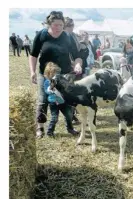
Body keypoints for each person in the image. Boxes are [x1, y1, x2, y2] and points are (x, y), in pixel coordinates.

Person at [29, 11, 83, 139]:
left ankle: (70, 126)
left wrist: (78, 64)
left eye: (61, 25)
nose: (58, 28)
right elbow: (33, 55)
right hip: (45, 75)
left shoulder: (68, 37)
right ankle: (40, 128)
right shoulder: (41, 35)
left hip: (64, 75)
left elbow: (77, 56)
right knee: (43, 101)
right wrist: (32, 72)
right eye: (55, 25)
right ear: (49, 24)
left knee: (67, 101)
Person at [43, 62, 80, 137]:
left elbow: (66, 87)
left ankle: (70, 129)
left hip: (63, 102)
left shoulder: (61, 79)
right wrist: (51, 87)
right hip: (54, 103)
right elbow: (47, 91)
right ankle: (50, 132)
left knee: (69, 115)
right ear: (49, 74)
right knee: (54, 118)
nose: (56, 75)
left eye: (57, 73)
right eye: (54, 73)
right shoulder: (47, 82)